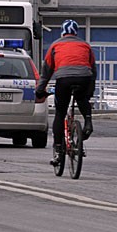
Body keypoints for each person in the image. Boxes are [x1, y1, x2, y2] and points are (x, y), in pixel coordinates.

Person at [35, 20, 96, 165]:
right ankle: (88, 121)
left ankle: (58, 151)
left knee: (60, 113)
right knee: (82, 100)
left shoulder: (55, 45)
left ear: (62, 32)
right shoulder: (85, 45)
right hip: (84, 78)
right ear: (76, 32)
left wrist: (40, 90)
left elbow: (46, 72)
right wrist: (90, 90)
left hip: (64, 80)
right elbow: (93, 69)